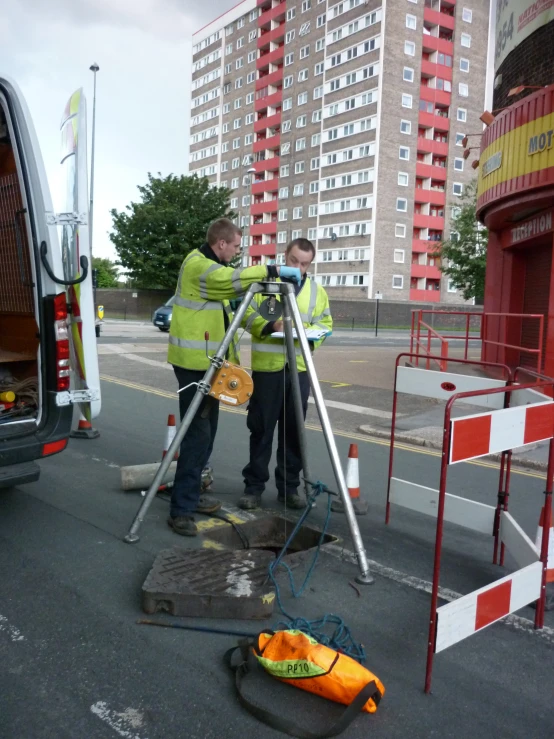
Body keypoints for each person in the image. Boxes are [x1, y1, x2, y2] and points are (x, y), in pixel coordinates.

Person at [167, 218, 301, 536]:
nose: (238, 252)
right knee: (196, 436)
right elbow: (234, 280)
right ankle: (181, 510)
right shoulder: (200, 267)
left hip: (210, 365)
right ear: (222, 243)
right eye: (237, 246)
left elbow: (237, 313)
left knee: (206, 433)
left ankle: (193, 493)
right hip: (194, 365)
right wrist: (273, 271)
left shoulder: (213, 275)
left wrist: (269, 326)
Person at [238, 238, 332, 511]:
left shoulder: (317, 291)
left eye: (304, 263)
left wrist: (311, 338)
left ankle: (289, 489)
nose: (298, 267)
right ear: (285, 257)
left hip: (299, 370)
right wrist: (269, 325)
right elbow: (244, 315)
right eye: (294, 261)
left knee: (294, 433)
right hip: (267, 371)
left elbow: (325, 324)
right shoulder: (265, 286)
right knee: (261, 430)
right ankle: (253, 488)